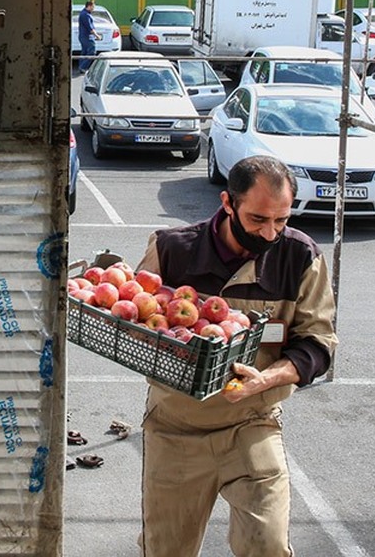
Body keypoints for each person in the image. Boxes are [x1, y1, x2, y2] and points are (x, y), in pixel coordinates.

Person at [135, 155, 338, 557]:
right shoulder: (172, 249)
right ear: (228, 203)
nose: (270, 233)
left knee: (267, 545)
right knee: (166, 550)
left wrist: (267, 379)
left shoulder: (300, 256)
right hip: (177, 427)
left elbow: (318, 343)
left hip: (252, 423)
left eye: (281, 221)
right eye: (258, 219)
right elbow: (138, 327)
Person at [77, 0, 97, 74]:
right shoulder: (85, 15)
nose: (93, 9)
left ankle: (81, 67)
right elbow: (90, 27)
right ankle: (83, 67)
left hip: (83, 36)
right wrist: (97, 35)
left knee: (84, 52)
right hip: (87, 37)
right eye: (92, 7)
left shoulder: (83, 13)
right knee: (92, 51)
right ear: (89, 6)